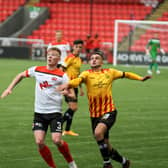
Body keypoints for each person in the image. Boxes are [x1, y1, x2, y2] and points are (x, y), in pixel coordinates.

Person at [57, 51, 151, 168]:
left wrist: (140, 78)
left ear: (102, 61)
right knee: (106, 146)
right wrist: (68, 85)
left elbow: (126, 74)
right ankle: (124, 162)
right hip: (94, 115)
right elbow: (78, 80)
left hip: (109, 111)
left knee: (98, 133)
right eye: (92, 58)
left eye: (97, 58)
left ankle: (107, 164)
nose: (94, 60)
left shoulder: (110, 72)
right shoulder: (86, 74)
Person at [0, 47, 78, 168]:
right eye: (49, 54)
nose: (50, 56)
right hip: (39, 113)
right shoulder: (37, 70)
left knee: (57, 140)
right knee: (39, 142)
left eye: (53, 55)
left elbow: (73, 95)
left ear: (58, 59)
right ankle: (53, 167)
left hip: (55, 113)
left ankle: (71, 163)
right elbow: (20, 75)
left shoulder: (63, 76)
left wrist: (67, 93)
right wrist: (9, 88)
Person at [61, 39, 85, 136]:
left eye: (80, 47)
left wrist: (81, 88)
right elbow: (61, 69)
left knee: (73, 108)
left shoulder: (79, 59)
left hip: (74, 85)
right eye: (77, 47)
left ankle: (67, 130)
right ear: (73, 47)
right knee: (74, 107)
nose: (78, 49)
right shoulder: (69, 58)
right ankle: (59, 123)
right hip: (68, 86)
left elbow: (78, 74)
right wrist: (64, 85)